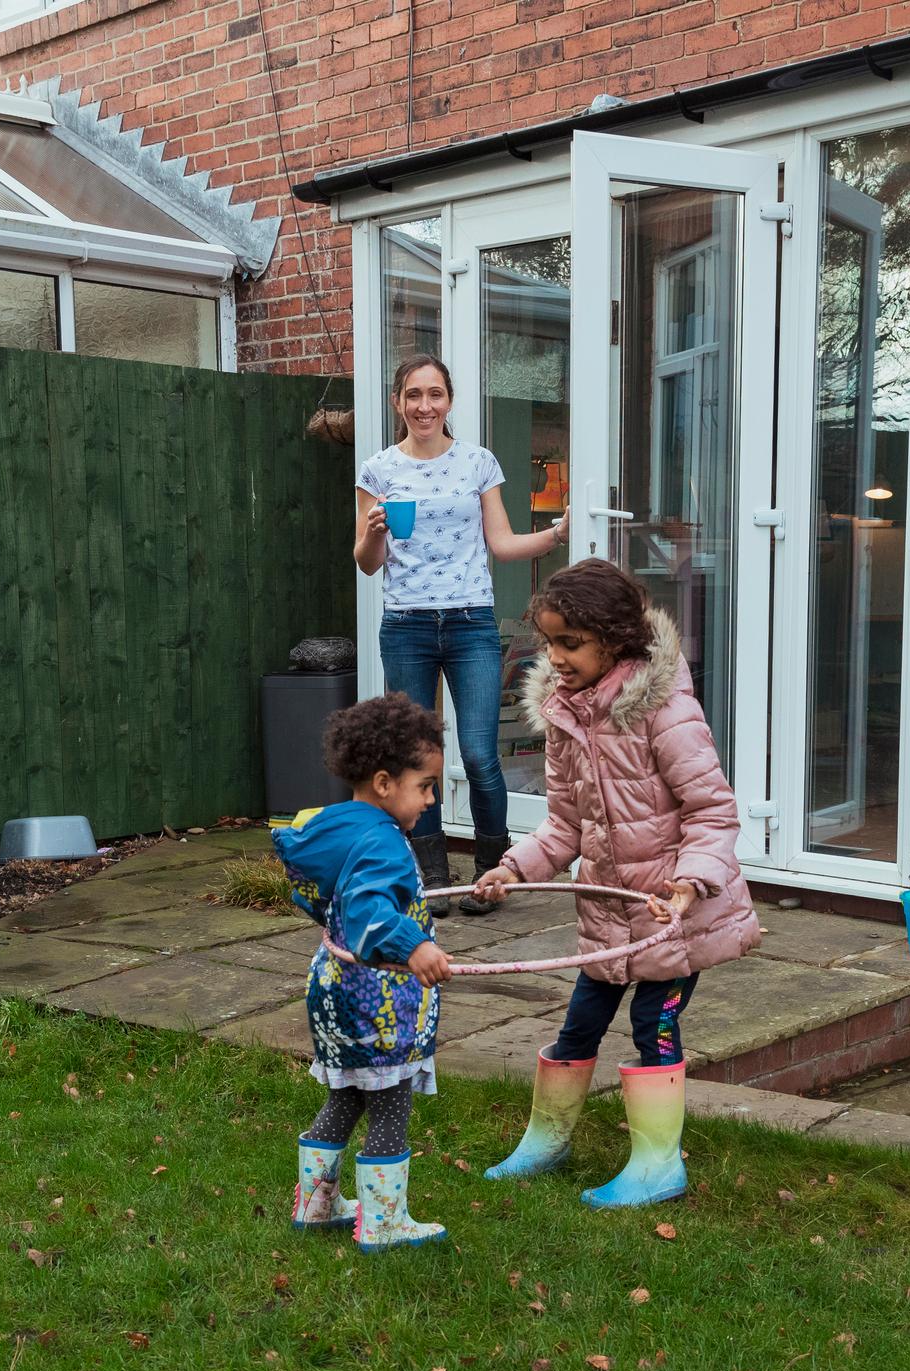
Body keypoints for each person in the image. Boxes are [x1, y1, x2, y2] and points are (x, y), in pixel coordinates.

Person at [470, 559, 760, 1208]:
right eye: (549, 642)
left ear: (613, 639)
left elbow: (712, 811)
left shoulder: (664, 711)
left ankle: (658, 1166)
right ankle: (547, 1141)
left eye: (568, 643)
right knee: (577, 1029)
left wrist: (688, 885)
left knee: (652, 1023)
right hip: (607, 915)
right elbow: (565, 826)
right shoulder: (567, 715)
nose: (555, 656)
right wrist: (514, 868)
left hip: (669, 916)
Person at [355, 354, 565, 918]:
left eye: (436, 395)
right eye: (413, 395)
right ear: (398, 401)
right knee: (415, 755)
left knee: (477, 753)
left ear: (449, 401)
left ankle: (492, 873)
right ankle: (432, 876)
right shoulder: (378, 470)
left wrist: (555, 536)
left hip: (471, 622)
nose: (425, 406)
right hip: (407, 626)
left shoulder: (478, 463)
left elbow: (501, 543)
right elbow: (367, 563)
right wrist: (375, 532)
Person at [274, 692, 455, 1252]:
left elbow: (320, 897)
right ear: (383, 783)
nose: (430, 799)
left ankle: (317, 1203)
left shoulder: (338, 826)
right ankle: (384, 1222)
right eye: (424, 785)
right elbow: (369, 913)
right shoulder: (384, 844)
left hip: (331, 988)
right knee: (391, 1101)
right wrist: (414, 945)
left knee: (348, 1096)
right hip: (376, 998)